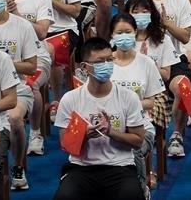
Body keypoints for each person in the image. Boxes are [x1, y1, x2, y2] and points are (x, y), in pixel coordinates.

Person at [52, 37, 145, 200]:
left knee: (131, 195)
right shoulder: (70, 99)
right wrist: (84, 136)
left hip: (120, 167)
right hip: (81, 168)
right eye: (100, 61)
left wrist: (110, 132)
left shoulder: (128, 97)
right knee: (64, 197)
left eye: (110, 60)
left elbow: (138, 140)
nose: (107, 65)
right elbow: (65, 144)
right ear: (84, 67)